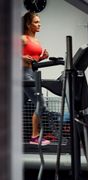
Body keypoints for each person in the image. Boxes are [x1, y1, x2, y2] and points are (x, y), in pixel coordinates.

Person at [22, 11, 50, 145]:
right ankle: (34, 137)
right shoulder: (22, 38)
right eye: (36, 22)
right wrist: (21, 57)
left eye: (39, 22)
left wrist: (42, 58)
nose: (39, 25)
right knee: (41, 104)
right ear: (28, 24)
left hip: (33, 72)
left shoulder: (36, 40)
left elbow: (34, 59)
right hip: (23, 73)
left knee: (17, 107)